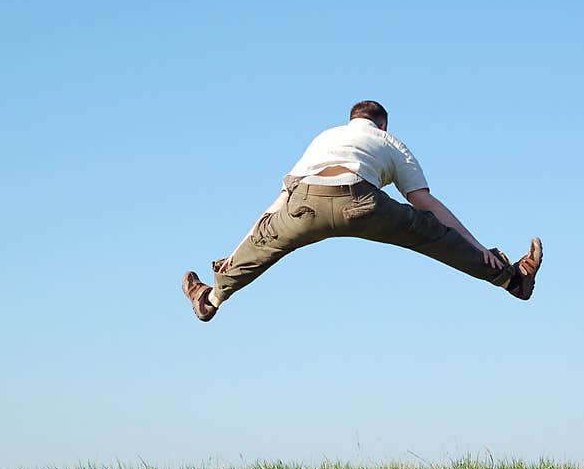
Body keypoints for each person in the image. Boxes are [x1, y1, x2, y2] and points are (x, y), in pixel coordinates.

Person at [182, 100, 542, 322]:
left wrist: (237, 250)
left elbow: (275, 206)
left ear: (350, 120)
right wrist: (479, 247)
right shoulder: (390, 142)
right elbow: (427, 204)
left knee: (263, 248)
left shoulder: (323, 137)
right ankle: (512, 280)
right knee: (432, 235)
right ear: (383, 124)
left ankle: (210, 299)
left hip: (304, 203)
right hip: (363, 202)